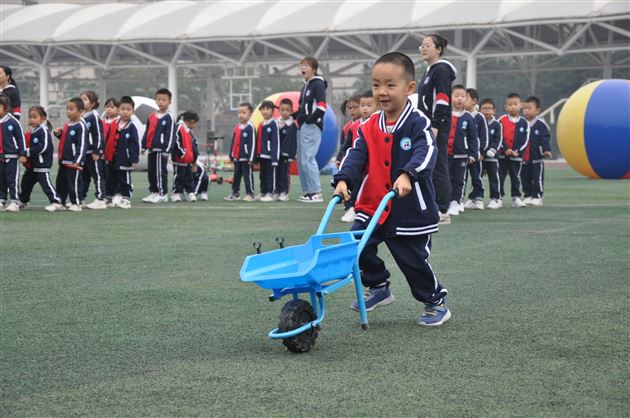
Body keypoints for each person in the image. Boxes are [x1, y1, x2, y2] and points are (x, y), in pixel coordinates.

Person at [333, 52, 450, 327]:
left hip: (409, 210)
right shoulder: (368, 125)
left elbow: (426, 150)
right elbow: (355, 155)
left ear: (409, 88)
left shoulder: (418, 122)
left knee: (412, 260)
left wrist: (409, 174)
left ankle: (435, 301)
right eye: (376, 85)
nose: (382, 92)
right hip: (373, 204)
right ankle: (378, 286)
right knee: (356, 246)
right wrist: (344, 179)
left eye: (390, 85)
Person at [417, 34, 457, 225]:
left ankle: (443, 210)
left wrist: (435, 125)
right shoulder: (430, 71)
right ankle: (433, 206)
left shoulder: (441, 70)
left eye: (428, 45)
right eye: (422, 46)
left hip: (436, 126)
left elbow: (442, 100)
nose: (423, 48)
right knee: (430, 165)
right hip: (427, 124)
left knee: (439, 165)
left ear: (438, 49)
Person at [339, 90, 380, 223]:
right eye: (362, 105)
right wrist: (340, 158)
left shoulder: (381, 124)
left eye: (369, 105)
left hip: (374, 165)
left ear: (377, 106)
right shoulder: (354, 126)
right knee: (354, 184)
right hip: (358, 164)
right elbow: (346, 145)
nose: (365, 109)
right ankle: (351, 208)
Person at [18, 106, 63, 212]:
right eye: (30, 117)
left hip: (41, 165)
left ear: (42, 118)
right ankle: (23, 201)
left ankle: (56, 202)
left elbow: (43, 147)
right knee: (25, 183)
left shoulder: (43, 130)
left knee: (46, 185)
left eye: (34, 117)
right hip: (32, 166)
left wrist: (26, 152)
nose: (31, 120)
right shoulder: (31, 130)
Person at [295, 56, 327, 203]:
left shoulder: (317, 85)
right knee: (302, 160)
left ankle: (316, 192)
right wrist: (292, 117)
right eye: (301, 65)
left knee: (308, 159)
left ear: (314, 69)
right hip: (303, 126)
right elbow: (303, 109)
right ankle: (309, 191)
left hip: (312, 126)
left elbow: (321, 106)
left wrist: (310, 119)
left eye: (306, 65)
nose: (303, 68)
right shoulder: (306, 86)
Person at [446, 85, 478, 216]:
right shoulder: (445, 114)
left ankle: (456, 202)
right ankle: (446, 202)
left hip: (461, 155)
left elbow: (473, 138)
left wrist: (473, 154)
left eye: (463, 96)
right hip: (445, 155)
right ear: (450, 97)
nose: (459, 99)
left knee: (459, 180)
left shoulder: (468, 117)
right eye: (456, 96)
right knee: (446, 179)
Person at [53, 98, 87, 212]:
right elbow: (67, 140)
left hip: (74, 162)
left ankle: (76, 203)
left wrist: (78, 160)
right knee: (61, 183)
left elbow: (82, 144)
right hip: (64, 160)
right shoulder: (68, 123)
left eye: (71, 109)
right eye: (67, 109)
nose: (68, 111)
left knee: (74, 183)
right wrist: (59, 134)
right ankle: (60, 202)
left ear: (80, 111)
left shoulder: (81, 126)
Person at [141, 88, 174, 203]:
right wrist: (144, 146)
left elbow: (170, 135)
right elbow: (147, 132)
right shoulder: (152, 116)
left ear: (169, 102)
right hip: (151, 149)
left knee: (160, 172)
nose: (161, 102)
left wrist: (167, 150)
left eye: (164, 100)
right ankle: (154, 192)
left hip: (161, 150)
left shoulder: (169, 117)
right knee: (151, 172)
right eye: (159, 99)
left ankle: (162, 194)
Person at [107, 96, 140, 209]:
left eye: (128, 109)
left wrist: (133, 158)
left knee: (124, 179)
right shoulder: (113, 124)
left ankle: (126, 198)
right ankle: (114, 196)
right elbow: (108, 139)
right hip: (112, 157)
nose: (125, 112)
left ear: (133, 112)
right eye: (123, 109)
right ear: (118, 110)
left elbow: (135, 144)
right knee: (112, 177)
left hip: (125, 159)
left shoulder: (132, 127)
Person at [498, 93, 529, 208]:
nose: (513, 107)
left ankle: (516, 198)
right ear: (506, 107)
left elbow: (525, 140)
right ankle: (498, 198)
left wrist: (517, 151)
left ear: (521, 105)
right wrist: (505, 149)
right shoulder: (501, 120)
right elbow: (498, 137)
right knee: (500, 177)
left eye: (515, 104)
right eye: (510, 104)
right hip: (502, 156)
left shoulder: (524, 122)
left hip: (517, 157)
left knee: (516, 178)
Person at [521, 96, 552, 206]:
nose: (526, 111)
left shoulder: (541, 125)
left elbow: (545, 138)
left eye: (529, 108)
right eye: (524, 108)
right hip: (524, 158)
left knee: (537, 177)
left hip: (536, 158)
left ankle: (537, 196)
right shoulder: (522, 123)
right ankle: (528, 195)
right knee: (524, 177)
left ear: (538, 110)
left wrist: (546, 150)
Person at [80, 90, 107, 209]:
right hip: (84, 153)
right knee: (83, 177)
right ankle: (80, 199)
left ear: (92, 104)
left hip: (93, 153)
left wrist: (97, 151)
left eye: (85, 99)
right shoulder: (81, 117)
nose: (81, 101)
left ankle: (101, 199)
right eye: (81, 99)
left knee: (98, 176)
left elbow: (99, 134)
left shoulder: (94, 117)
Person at [225, 102, 256, 202]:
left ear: (250, 114)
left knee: (247, 177)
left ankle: (250, 194)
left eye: (243, 113)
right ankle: (235, 193)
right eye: (239, 113)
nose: (241, 115)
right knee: (236, 176)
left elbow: (252, 143)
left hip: (246, 159)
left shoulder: (250, 127)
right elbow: (234, 142)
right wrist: (231, 154)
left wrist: (251, 158)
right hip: (237, 158)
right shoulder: (237, 127)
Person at [0, 93, 26, 212]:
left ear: (5, 108)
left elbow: (21, 138)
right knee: (1, 179)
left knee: (12, 180)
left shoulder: (13, 122)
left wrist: (22, 153)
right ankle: (2, 199)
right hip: (0, 157)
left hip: (11, 156)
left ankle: (14, 201)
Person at [462, 88, 487, 210]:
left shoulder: (480, 117)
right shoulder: (461, 116)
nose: (462, 100)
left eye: (465, 97)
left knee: (476, 176)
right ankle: (459, 199)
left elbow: (484, 136)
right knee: (461, 177)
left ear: (474, 101)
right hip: (462, 154)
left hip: (476, 154)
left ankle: (477, 198)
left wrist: (481, 151)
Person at [479, 98, 503, 209]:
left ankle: (496, 198)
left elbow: (498, 139)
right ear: (479, 110)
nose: (487, 111)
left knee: (494, 178)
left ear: (494, 110)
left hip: (492, 157)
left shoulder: (497, 124)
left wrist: (493, 150)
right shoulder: (478, 123)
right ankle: (477, 198)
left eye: (489, 108)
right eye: (484, 108)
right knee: (478, 177)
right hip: (480, 157)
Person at [171, 110, 200, 202]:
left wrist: (194, 159)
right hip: (180, 160)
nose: (195, 125)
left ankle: (190, 192)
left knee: (189, 178)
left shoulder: (189, 131)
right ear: (191, 121)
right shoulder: (179, 127)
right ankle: (176, 193)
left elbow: (193, 146)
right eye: (195, 123)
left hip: (188, 161)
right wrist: (181, 153)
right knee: (178, 177)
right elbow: (175, 140)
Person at [255, 100, 280, 202]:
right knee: (262, 175)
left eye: (268, 109)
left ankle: (271, 193)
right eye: (263, 109)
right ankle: (263, 192)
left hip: (270, 156)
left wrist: (275, 158)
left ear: (272, 111)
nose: (265, 111)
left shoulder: (274, 124)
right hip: (262, 156)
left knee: (270, 176)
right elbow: (258, 141)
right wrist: (256, 156)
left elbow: (275, 141)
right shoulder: (261, 124)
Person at [277, 98, 298, 201]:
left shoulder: (292, 125)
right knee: (276, 173)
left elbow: (293, 142)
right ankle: (277, 191)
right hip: (277, 154)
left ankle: (284, 192)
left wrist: (292, 155)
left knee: (284, 174)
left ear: (291, 111)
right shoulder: (276, 123)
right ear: (279, 110)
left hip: (286, 155)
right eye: (282, 110)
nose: (284, 112)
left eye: (287, 110)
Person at [102, 97, 121, 206]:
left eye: (112, 107)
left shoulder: (120, 122)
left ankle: (118, 194)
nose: (109, 109)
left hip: (116, 154)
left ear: (118, 109)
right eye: (107, 107)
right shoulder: (102, 122)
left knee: (116, 174)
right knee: (106, 175)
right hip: (104, 154)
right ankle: (108, 194)